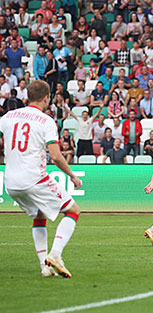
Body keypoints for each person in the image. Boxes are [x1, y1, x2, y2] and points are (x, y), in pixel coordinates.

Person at [0, 80, 82, 278]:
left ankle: (45, 267)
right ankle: (56, 254)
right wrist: (72, 175)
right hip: (33, 178)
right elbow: (55, 156)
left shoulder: (8, 116)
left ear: (27, 96)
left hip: (11, 182)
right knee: (73, 211)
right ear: (47, 98)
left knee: (39, 215)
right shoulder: (46, 121)